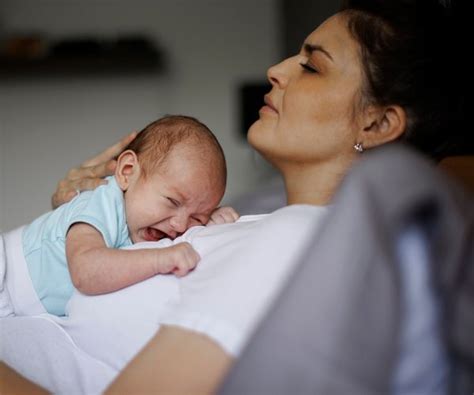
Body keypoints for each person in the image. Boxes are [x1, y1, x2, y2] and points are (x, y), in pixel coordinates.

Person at [0, 0, 463, 393]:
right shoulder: (261, 221)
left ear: (377, 124)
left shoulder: (299, 241)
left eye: (311, 66)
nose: (276, 70)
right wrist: (82, 217)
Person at [0, 115, 238, 318]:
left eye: (198, 217)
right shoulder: (103, 201)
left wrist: (213, 225)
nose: (180, 225)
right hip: (5, 279)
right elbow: (86, 270)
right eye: (172, 202)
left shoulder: (154, 224)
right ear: (127, 172)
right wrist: (159, 259)